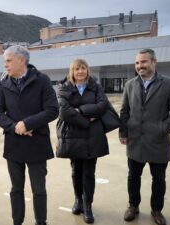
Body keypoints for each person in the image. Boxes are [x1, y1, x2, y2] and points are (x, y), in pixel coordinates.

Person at [0, 45, 59, 225]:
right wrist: (15, 126)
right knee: (16, 189)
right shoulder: (4, 83)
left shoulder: (42, 80)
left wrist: (28, 123)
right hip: (14, 144)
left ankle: (40, 222)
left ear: (21, 60)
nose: (5, 65)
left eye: (8, 60)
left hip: (37, 144)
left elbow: (52, 110)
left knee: (39, 190)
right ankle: (17, 222)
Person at [119, 48, 170, 225]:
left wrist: (163, 128)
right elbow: (124, 111)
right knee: (133, 177)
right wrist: (123, 132)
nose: (140, 66)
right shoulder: (130, 85)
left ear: (154, 62)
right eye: (137, 63)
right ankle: (133, 206)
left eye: (144, 62)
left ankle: (156, 210)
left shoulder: (169, 85)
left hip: (158, 142)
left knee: (159, 179)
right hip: (135, 142)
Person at [56, 58, 110, 224]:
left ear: (88, 70)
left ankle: (88, 205)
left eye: (83, 68)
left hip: (92, 137)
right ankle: (78, 200)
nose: (80, 72)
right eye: (77, 69)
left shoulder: (95, 86)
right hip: (73, 136)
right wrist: (86, 119)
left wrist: (79, 110)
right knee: (76, 171)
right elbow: (64, 112)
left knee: (89, 173)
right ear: (72, 71)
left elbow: (103, 106)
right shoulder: (64, 88)